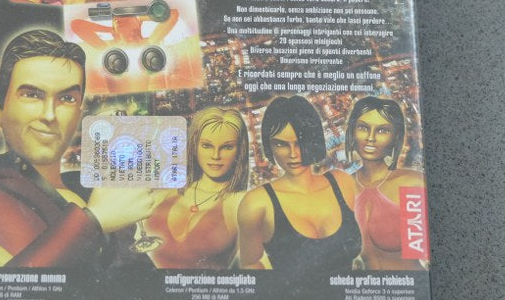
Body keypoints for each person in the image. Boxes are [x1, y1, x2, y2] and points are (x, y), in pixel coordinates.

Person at [0, 29, 157, 268]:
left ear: (78, 115)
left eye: (67, 99)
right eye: (32, 95)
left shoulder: (91, 186)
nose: (49, 115)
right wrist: (96, 220)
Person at [238, 96, 360, 275]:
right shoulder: (256, 203)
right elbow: (250, 263)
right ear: (269, 146)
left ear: (313, 140)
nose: (293, 154)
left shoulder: (342, 182)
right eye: (281, 144)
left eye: (300, 142)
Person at [137, 107, 249, 269]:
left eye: (227, 147)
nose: (215, 156)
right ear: (194, 146)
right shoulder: (167, 192)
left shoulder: (242, 203)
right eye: (207, 146)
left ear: (240, 151)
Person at [344, 96, 428, 271]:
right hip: (361, 286)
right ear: (352, 131)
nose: (371, 138)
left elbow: (420, 251)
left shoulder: (411, 183)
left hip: (406, 285)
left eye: (382, 130)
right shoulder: (342, 186)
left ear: (395, 137)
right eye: (363, 128)